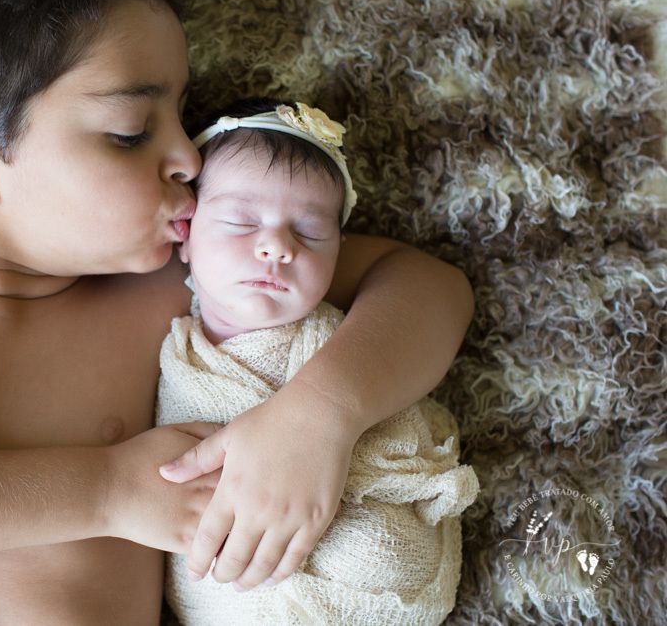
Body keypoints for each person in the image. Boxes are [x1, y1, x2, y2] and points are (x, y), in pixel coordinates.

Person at [0, 0, 474, 623]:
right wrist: (108, 491)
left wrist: (320, 416)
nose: (190, 155)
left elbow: (427, 288)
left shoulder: (178, 279)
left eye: (182, 117)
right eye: (130, 131)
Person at [155, 98, 480, 625]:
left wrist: (323, 420)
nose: (277, 247)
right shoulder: (168, 334)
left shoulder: (348, 333)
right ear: (187, 233)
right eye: (240, 221)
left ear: (338, 251)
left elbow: (441, 292)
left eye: (309, 233)